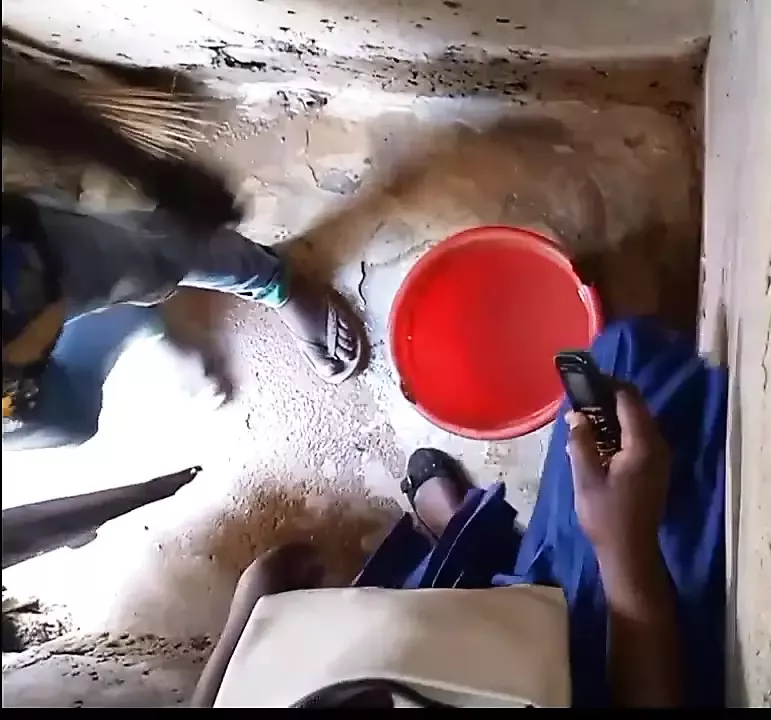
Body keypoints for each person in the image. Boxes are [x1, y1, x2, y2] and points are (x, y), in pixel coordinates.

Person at [193, 317, 728, 708]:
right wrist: (625, 551)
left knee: (616, 378)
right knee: (634, 366)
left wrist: (244, 622)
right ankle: (465, 552)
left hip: (463, 638)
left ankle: (459, 553)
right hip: (606, 658)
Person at [2, 50, 368, 449]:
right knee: (70, 419)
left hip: (28, 254)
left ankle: (274, 281)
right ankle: (149, 320)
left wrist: (152, 175)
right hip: (14, 375)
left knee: (151, 257)